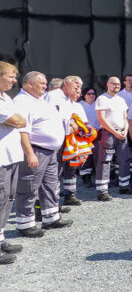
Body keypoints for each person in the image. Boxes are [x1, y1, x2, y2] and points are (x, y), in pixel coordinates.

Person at [14, 71, 72, 237]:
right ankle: (25, 224)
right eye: (42, 83)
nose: (45, 86)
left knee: (50, 185)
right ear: (29, 83)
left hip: (49, 151)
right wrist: (30, 154)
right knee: (29, 186)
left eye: (46, 83)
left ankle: (51, 217)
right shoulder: (22, 102)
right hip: (35, 150)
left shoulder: (39, 100)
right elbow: (22, 131)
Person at [45, 75, 88, 206]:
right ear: (66, 83)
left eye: (80, 87)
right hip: (53, 140)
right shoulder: (54, 96)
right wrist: (69, 124)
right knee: (54, 172)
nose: (78, 89)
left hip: (67, 140)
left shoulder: (67, 100)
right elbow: (50, 117)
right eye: (76, 85)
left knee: (65, 170)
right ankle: (49, 204)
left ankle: (57, 201)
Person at [0, 61, 26, 264]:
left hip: (12, 156)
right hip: (1, 159)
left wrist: (17, 119)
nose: (14, 80)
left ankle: (0, 238)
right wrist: (17, 119)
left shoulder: (6, 98)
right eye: (11, 76)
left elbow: (19, 119)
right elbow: (18, 121)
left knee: (8, 199)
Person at [95, 77, 132, 200]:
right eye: (114, 84)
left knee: (124, 159)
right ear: (108, 84)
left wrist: (125, 130)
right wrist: (114, 132)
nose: (116, 86)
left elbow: (125, 117)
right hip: (108, 134)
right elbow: (101, 119)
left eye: (118, 84)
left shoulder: (121, 100)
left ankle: (124, 186)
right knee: (105, 161)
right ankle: (102, 191)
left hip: (121, 134)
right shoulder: (102, 99)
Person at [79, 87, 99, 187]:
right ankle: (86, 178)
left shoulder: (98, 105)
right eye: (89, 94)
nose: (91, 95)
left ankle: (97, 177)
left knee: (97, 156)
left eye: (93, 93)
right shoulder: (80, 105)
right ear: (84, 95)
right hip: (84, 135)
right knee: (85, 157)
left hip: (97, 133)